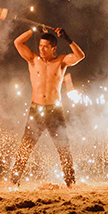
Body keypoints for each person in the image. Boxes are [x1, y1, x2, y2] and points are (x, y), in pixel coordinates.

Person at [9, 27, 85, 187]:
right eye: (40, 46)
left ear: (53, 48)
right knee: (26, 147)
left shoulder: (61, 62)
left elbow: (80, 56)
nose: (41, 49)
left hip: (54, 111)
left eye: (45, 47)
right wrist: (33, 31)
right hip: (36, 110)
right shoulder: (33, 59)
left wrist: (67, 39)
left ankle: (70, 183)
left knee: (63, 148)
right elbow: (17, 42)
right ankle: (14, 181)